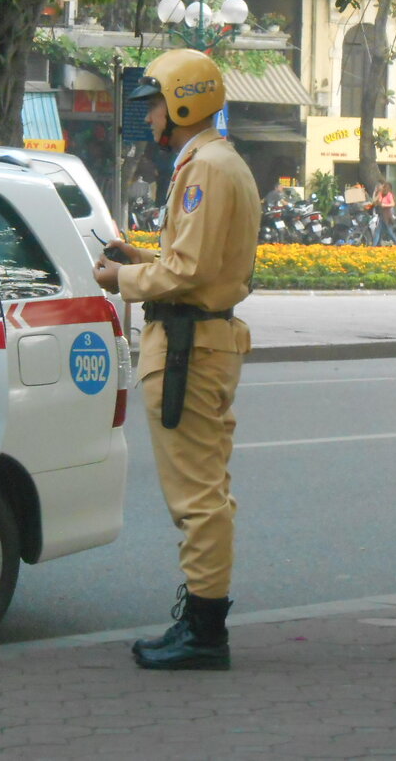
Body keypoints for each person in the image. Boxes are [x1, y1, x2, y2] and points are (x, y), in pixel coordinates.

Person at [93, 49, 260, 671]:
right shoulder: (214, 162)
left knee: (196, 498)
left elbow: (188, 271)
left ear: (185, 101)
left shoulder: (207, 168)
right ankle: (200, 621)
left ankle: (204, 632)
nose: (151, 117)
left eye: (156, 103)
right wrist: (137, 257)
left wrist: (121, 279)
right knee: (204, 493)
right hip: (200, 341)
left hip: (189, 346)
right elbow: (193, 261)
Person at [374, 181, 396, 246]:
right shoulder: (381, 194)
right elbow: (376, 201)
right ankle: (374, 245)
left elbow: (393, 204)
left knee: (390, 231)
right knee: (377, 231)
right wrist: (378, 194)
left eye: (384, 186)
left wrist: (384, 205)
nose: (382, 187)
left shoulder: (389, 195)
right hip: (382, 215)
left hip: (387, 216)